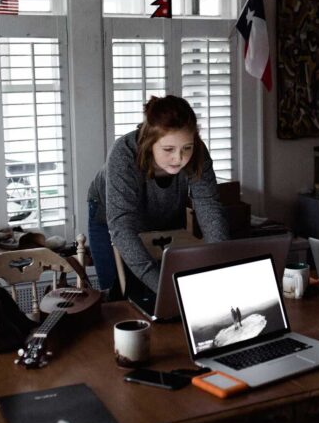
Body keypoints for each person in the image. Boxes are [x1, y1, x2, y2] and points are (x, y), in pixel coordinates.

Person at [87, 95, 228, 294]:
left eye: (187, 148)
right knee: (115, 292)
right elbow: (122, 227)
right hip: (111, 216)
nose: (179, 158)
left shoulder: (197, 152)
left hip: (165, 210)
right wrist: (164, 289)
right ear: (149, 142)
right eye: (168, 149)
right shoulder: (123, 153)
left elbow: (209, 206)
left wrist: (221, 265)